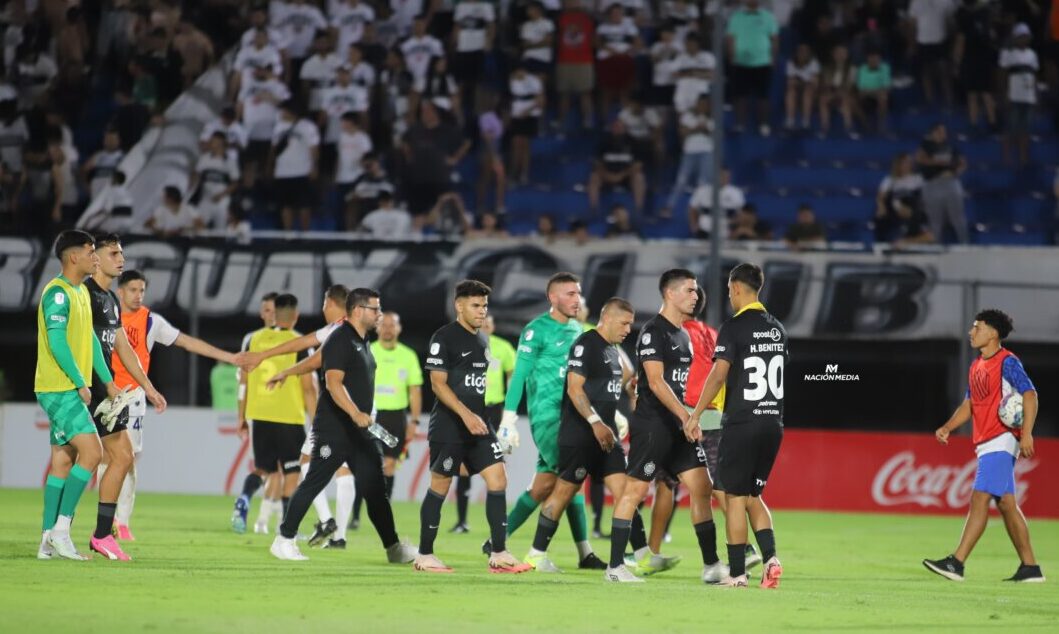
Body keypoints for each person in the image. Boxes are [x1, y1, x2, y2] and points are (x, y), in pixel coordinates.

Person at [271, 288, 417, 564]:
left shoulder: (361, 341)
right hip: (335, 427)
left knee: (375, 489)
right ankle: (284, 540)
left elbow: (316, 361)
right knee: (315, 480)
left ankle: (393, 547)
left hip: (358, 431)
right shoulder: (341, 338)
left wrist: (288, 371)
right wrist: (355, 413)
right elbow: (332, 383)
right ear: (359, 311)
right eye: (375, 309)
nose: (379, 314)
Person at [604, 269, 723, 583]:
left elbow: (675, 386)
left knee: (701, 486)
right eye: (689, 290)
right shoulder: (653, 331)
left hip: (677, 425)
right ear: (669, 293)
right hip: (654, 425)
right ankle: (615, 567)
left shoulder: (683, 335)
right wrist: (687, 417)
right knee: (635, 490)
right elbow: (655, 383)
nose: (695, 296)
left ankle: (711, 566)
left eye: (696, 291)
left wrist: (685, 418)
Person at [525, 298, 657, 573]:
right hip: (581, 435)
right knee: (563, 492)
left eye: (631, 324)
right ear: (607, 318)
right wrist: (596, 422)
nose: (628, 330)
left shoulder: (612, 351)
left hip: (607, 439)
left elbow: (609, 387)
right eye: (624, 323)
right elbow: (575, 389)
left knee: (626, 493)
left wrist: (630, 391)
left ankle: (643, 556)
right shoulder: (586, 344)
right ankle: (535, 555)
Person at [110, 269, 239, 540]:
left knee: (127, 459)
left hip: (133, 396)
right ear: (120, 291)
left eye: (142, 290)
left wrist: (229, 356)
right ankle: (104, 519)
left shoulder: (151, 321)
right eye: (133, 290)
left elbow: (186, 342)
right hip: (105, 394)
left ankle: (121, 521)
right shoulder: (106, 316)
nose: (138, 295)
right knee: (103, 459)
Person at [490, 272, 605, 570]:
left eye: (577, 293)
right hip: (546, 417)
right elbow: (519, 375)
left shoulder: (577, 329)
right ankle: (546, 554)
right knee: (572, 477)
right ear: (552, 298)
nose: (576, 298)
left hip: (570, 417)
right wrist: (508, 419)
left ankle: (496, 542)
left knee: (544, 486)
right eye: (569, 293)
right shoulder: (535, 330)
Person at [414, 280, 530, 573]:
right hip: (450, 425)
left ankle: (500, 553)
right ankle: (424, 555)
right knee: (440, 484)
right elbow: (437, 385)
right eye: (476, 306)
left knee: (498, 479)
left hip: (479, 423)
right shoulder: (443, 337)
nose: (482, 312)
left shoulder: (482, 340)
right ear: (459, 306)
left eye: (485, 306)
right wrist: (466, 415)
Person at [923, 309, 1045, 583]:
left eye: (977, 327)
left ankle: (957, 563)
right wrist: (947, 427)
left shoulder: (1007, 362)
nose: (971, 331)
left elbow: (1030, 395)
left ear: (993, 333)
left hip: (1002, 440)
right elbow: (969, 405)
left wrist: (1027, 433)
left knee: (979, 498)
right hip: (986, 441)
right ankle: (1030, 568)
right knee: (1006, 504)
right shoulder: (976, 365)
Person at [688, 263, 787, 588]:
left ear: (736, 289)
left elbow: (719, 374)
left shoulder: (734, 327)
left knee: (732, 496)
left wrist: (696, 413)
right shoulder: (777, 329)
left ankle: (737, 573)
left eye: (730, 290)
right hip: (773, 422)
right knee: (752, 495)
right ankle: (771, 559)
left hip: (742, 422)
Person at [36, 231, 123, 560]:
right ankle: (61, 531)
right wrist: (79, 382)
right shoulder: (57, 294)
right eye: (90, 252)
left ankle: (46, 540)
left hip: (64, 387)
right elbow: (58, 343)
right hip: (59, 388)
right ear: (73, 257)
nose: (95, 258)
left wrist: (107, 380)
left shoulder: (80, 294)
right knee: (93, 453)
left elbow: (89, 343)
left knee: (62, 461)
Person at [84, 234, 167, 561]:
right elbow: (81, 344)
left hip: (103, 392)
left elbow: (123, 348)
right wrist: (93, 382)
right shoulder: (81, 295)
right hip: (80, 389)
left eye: (122, 253)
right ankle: (56, 533)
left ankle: (102, 534)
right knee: (71, 460)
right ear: (95, 258)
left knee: (121, 457)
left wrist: (148, 387)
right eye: (114, 253)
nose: (121, 258)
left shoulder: (109, 301)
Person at [253, 285, 357, 546]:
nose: (322, 308)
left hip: (338, 406)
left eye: (324, 302)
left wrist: (283, 370)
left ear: (331, 303)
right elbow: (304, 342)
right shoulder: (350, 327)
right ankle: (337, 534)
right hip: (357, 404)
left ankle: (327, 522)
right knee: (340, 467)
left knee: (310, 461)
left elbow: (313, 357)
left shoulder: (339, 330)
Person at [238, 294, 318, 537]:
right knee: (292, 471)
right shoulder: (300, 343)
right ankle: (286, 527)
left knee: (263, 469)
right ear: (295, 316)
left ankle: (243, 498)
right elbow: (308, 388)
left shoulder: (254, 339)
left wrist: (242, 416)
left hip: (259, 414)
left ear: (274, 313)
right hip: (288, 416)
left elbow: (244, 381)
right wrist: (317, 424)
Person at [348, 312, 422, 530]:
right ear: (377, 328)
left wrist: (414, 421)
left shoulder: (408, 355)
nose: (388, 328)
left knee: (389, 466)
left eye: (393, 325)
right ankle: (355, 515)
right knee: (365, 466)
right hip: (370, 416)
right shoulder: (368, 350)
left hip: (396, 418)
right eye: (385, 324)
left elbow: (415, 390)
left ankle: (382, 514)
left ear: (399, 329)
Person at [452, 314, 515, 533]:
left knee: (497, 465)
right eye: (483, 322)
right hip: (469, 409)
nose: (486, 325)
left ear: (493, 325)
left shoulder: (503, 347)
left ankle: (497, 525)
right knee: (462, 462)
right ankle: (462, 521)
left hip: (493, 410)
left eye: (489, 322)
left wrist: (510, 408)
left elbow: (513, 376)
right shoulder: (465, 345)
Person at [916, 123, 968, 244]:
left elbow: (963, 163)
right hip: (932, 183)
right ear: (933, 133)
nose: (942, 134)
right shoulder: (926, 145)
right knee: (935, 220)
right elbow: (920, 159)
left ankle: (964, 243)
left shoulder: (951, 146)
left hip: (950, 182)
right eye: (939, 131)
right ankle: (936, 246)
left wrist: (956, 173)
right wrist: (938, 162)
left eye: (944, 132)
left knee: (958, 217)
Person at [999, 24, 1039, 167]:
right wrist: (1005, 94)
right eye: (1021, 37)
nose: (1024, 40)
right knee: (1011, 128)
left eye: (1026, 37)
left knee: (1025, 129)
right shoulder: (1008, 54)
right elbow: (1003, 76)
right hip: (1014, 97)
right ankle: (1007, 157)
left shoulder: (1032, 55)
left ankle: (1023, 157)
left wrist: (1035, 95)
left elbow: (1034, 76)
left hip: (1028, 97)